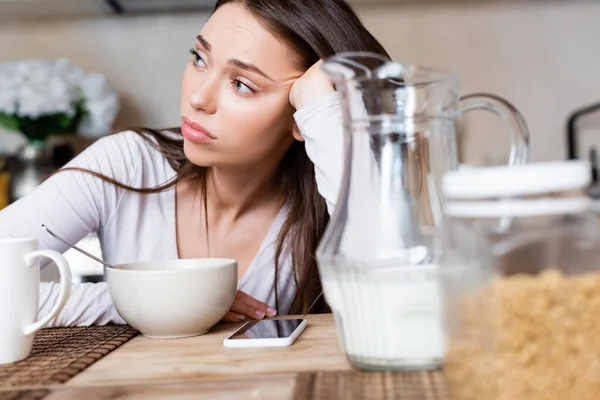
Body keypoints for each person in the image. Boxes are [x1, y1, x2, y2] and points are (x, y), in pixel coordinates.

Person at [0, 0, 389, 326]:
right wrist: (149, 302)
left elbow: (390, 307)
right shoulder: (126, 162)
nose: (199, 97)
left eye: (242, 84)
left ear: (300, 113)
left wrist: (326, 114)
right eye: (200, 58)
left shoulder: (328, 194)